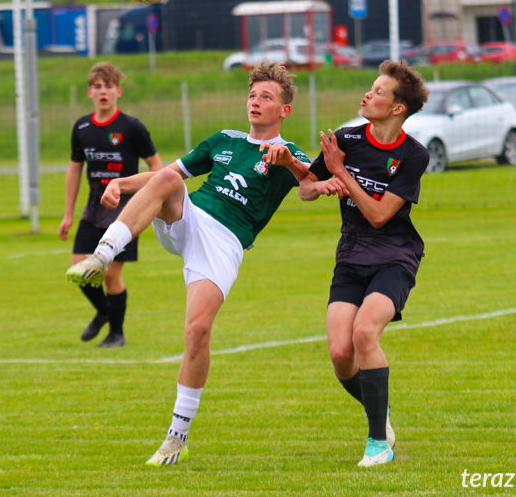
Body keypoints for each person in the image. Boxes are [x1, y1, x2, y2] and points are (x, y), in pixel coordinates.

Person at [66, 61, 314, 466]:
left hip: (224, 244)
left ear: (284, 109)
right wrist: (118, 183)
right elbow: (167, 173)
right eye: (252, 95)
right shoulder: (223, 140)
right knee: (169, 179)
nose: (255, 102)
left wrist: (289, 162)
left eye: (266, 97)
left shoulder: (289, 153)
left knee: (198, 331)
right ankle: (103, 253)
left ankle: (176, 437)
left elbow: (312, 186)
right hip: (189, 217)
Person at [299, 59, 430, 467]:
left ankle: (377, 443)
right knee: (340, 354)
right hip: (352, 253)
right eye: (369, 88)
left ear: (397, 108)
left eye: (377, 92)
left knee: (365, 333)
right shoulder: (346, 137)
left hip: (395, 254)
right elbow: (304, 187)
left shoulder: (414, 155)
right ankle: (381, 412)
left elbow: (378, 215)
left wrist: (341, 172)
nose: (367, 94)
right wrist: (320, 182)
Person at [58, 62, 163, 347]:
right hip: (93, 211)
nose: (102, 91)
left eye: (108, 86)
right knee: (78, 269)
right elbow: (74, 169)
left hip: (125, 212)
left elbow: (157, 168)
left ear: (118, 91)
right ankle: (105, 312)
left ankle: (117, 334)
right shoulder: (81, 127)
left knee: (110, 274)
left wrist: (143, 198)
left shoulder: (131, 127)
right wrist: (68, 213)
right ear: (89, 92)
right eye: (97, 87)